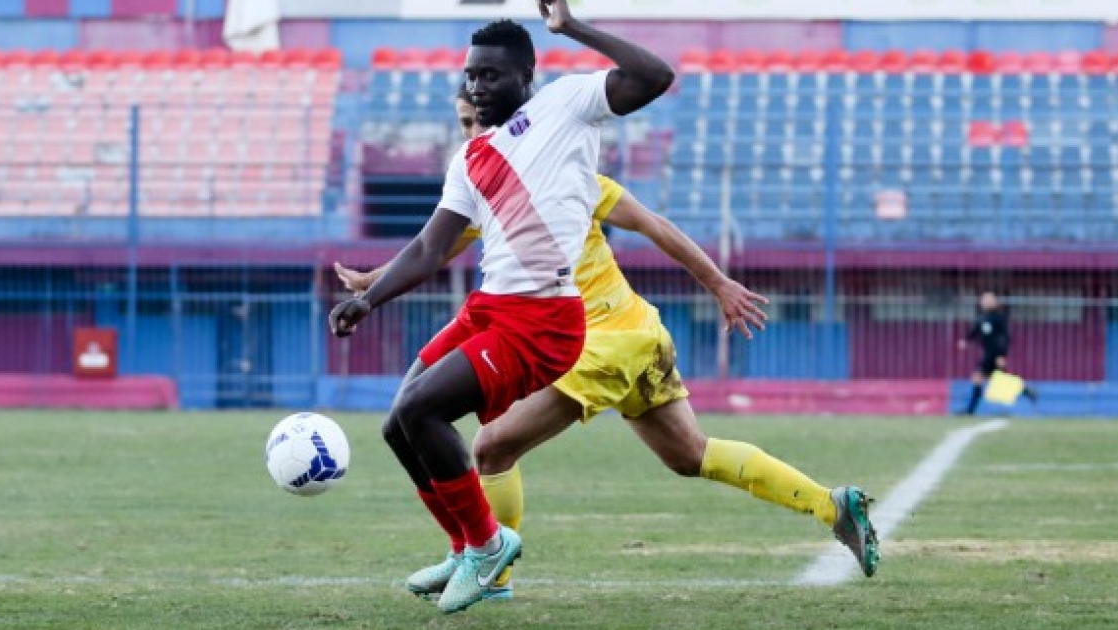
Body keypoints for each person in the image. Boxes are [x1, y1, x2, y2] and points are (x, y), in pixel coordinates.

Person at [336, 92, 880, 604]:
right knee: (690, 455)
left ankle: (490, 572)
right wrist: (372, 281)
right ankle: (831, 504)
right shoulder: (487, 192)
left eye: (479, 119)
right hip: (636, 334)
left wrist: (718, 282)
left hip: (600, 341)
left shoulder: (568, 180)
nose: (473, 130)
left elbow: (651, 224)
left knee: (493, 447)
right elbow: (435, 246)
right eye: (463, 122)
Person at [328, 2, 674, 614]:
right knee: (398, 425)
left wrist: (573, 28)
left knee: (423, 410)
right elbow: (429, 247)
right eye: (471, 75)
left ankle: (489, 546)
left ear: (525, 76)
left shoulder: (566, 104)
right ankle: (466, 548)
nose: (477, 86)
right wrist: (369, 299)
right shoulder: (470, 158)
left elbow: (655, 76)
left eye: (490, 75)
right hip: (491, 308)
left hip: (544, 321)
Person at [958, 291, 1037, 415]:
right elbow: (975, 331)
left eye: (988, 300)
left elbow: (1005, 337)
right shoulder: (982, 317)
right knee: (995, 379)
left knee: (980, 378)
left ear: (994, 302)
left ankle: (970, 410)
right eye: (983, 299)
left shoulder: (998, 318)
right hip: (988, 353)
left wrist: (1002, 355)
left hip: (995, 354)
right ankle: (1026, 391)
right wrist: (966, 341)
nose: (985, 302)